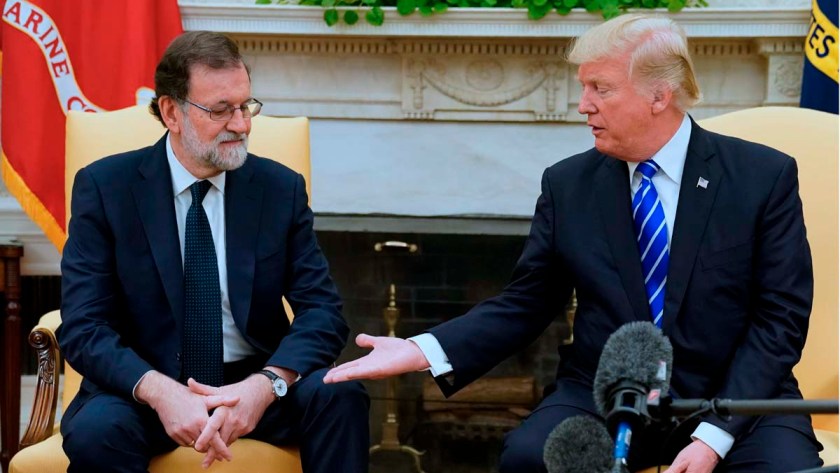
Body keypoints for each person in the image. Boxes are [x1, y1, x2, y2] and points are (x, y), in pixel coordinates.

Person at [324, 14, 823, 473]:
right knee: (527, 459)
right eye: (583, 86)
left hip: (735, 397)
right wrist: (421, 349)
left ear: (660, 95)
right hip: (604, 392)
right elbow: (526, 303)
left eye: (600, 88)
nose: (583, 104)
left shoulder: (761, 177)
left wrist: (714, 439)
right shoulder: (569, 185)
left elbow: (779, 318)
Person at [58, 31, 369, 473]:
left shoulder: (279, 189)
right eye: (221, 110)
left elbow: (323, 312)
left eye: (246, 106)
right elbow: (84, 327)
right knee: (96, 433)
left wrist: (265, 386)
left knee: (340, 393)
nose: (241, 124)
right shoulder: (106, 188)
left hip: (254, 384)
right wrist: (161, 391)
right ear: (172, 112)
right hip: (147, 387)